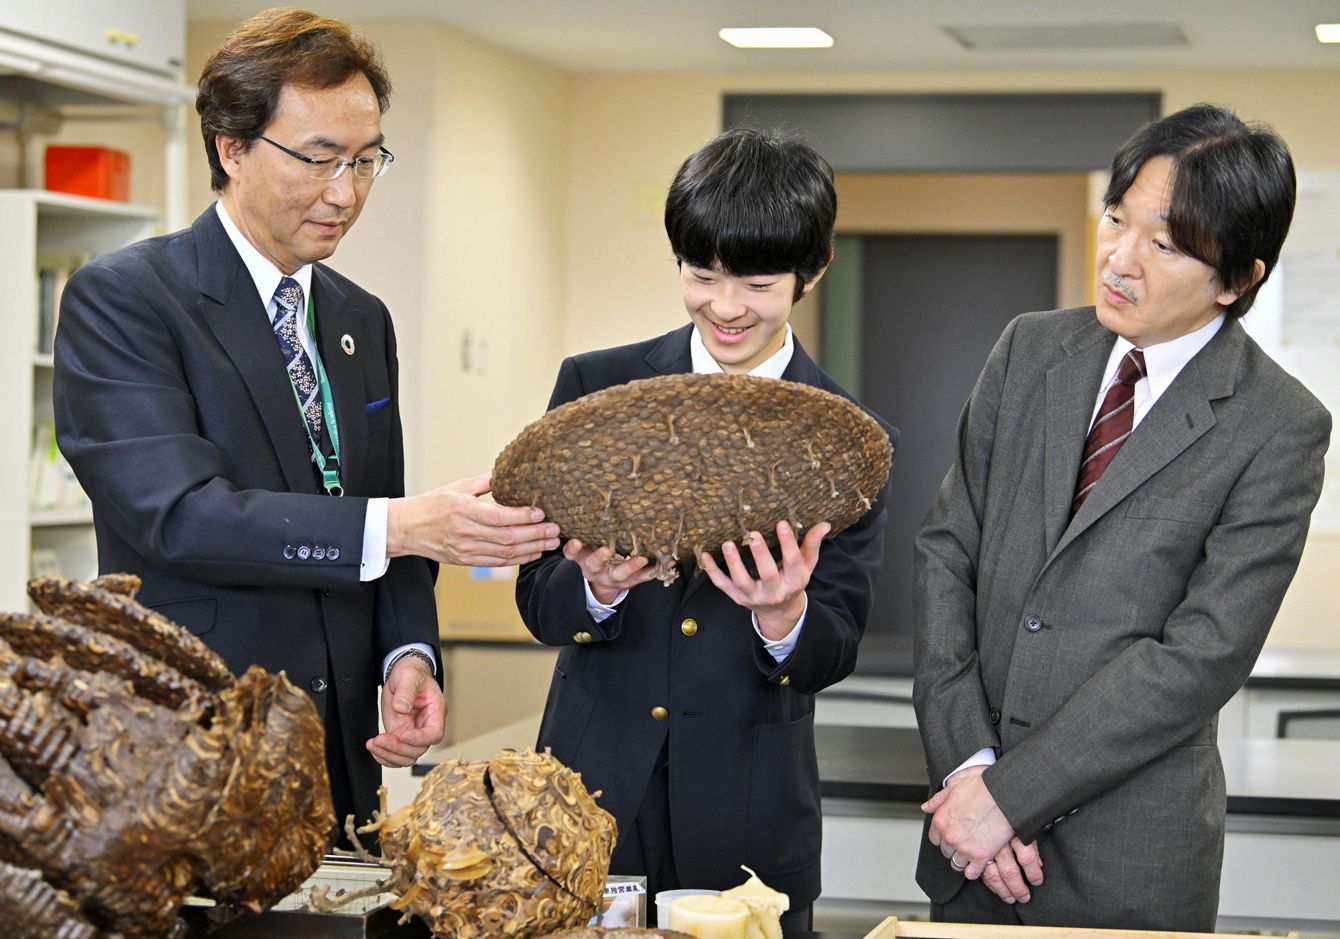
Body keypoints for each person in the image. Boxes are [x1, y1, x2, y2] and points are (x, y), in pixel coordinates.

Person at [52, 9, 558, 836]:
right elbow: (178, 514)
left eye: (365, 161)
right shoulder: (127, 300)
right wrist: (407, 524)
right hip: (198, 753)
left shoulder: (361, 318)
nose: (344, 193)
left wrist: (407, 652)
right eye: (318, 159)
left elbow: (377, 502)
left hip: (342, 751)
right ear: (231, 148)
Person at [913, 102, 1331, 930]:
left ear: (1238, 278)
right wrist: (969, 770)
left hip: (1127, 859)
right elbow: (947, 551)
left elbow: (1201, 655)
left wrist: (1009, 798)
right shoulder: (1029, 350)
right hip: (966, 840)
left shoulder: (1279, 424)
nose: (1119, 258)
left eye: (1165, 245)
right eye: (1116, 219)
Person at [515, 127, 896, 928]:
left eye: (757, 283)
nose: (725, 307)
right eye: (702, 275)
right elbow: (537, 600)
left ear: (813, 270)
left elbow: (835, 648)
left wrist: (785, 615)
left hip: (748, 820)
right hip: (585, 800)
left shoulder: (846, 441)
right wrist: (593, 587)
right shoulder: (595, 388)